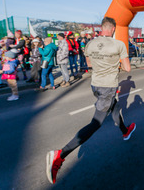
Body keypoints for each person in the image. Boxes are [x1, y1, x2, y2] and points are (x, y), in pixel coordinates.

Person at [46, 17, 136, 184]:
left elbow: (88, 63)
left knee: (114, 107)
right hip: (107, 86)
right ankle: (60, 155)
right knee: (96, 123)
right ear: (114, 29)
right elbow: (127, 68)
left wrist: (103, 62)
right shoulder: (119, 44)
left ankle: (125, 131)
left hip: (95, 85)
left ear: (102, 28)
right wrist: (115, 63)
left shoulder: (90, 43)